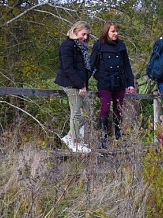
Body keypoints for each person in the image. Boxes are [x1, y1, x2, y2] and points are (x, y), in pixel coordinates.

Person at [90, 21, 135, 148]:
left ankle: (118, 137)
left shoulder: (121, 45)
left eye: (116, 31)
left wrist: (130, 83)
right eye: (112, 31)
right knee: (104, 109)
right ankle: (103, 138)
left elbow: (127, 65)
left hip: (119, 81)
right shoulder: (99, 45)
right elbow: (91, 63)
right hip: (105, 81)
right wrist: (84, 82)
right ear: (106, 32)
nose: (115, 34)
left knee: (118, 109)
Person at [55, 20, 92, 153]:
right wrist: (80, 85)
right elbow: (68, 68)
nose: (85, 37)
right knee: (76, 113)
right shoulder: (67, 45)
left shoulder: (81, 47)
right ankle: (75, 142)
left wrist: (84, 85)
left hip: (80, 84)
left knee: (89, 113)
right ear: (75, 31)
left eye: (87, 35)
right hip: (70, 83)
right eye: (83, 34)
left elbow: (84, 69)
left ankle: (70, 136)